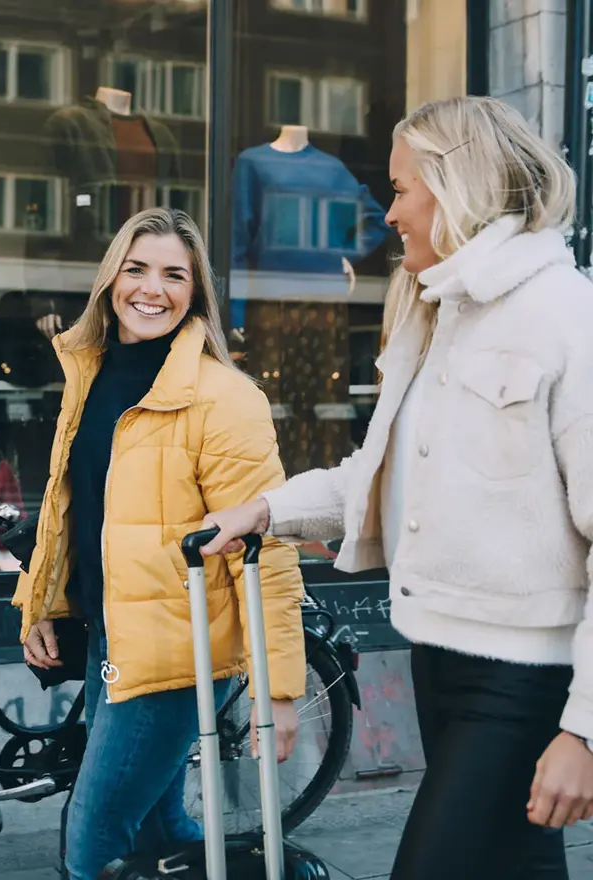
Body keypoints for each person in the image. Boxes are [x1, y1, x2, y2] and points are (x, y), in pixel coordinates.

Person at [199, 95, 593, 880]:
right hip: (437, 657)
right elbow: (377, 476)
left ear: (457, 189)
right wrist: (267, 509)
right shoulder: (434, 317)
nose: (388, 213)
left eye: (402, 189)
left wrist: (585, 732)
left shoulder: (566, 317)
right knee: (513, 867)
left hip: (523, 679)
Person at [12, 207, 306, 880]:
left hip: (180, 652)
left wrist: (277, 690)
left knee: (90, 844)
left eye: (175, 275)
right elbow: (69, 512)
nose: (153, 288)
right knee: (157, 829)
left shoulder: (223, 398)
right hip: (113, 637)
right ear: (110, 278)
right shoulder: (89, 375)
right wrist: (41, 604)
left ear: (195, 294)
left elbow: (269, 549)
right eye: (137, 268)